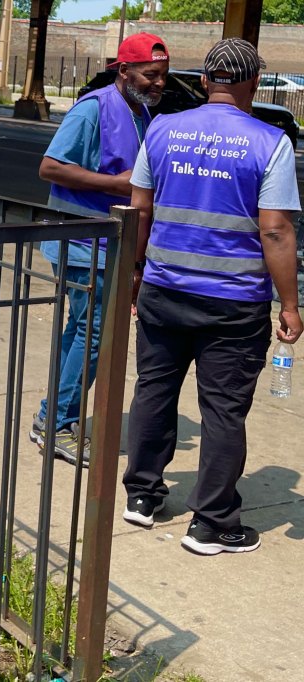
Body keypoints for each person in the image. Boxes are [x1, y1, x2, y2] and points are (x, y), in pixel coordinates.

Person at [123, 38, 301, 555]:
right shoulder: (271, 143)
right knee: (223, 410)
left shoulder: (161, 129)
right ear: (254, 84)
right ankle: (212, 522)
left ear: (204, 81)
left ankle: (142, 496)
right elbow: (276, 231)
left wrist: (136, 272)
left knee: (154, 391)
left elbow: (138, 210)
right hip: (235, 302)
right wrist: (289, 304)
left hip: (164, 288)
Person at [32, 32, 170, 467]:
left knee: (81, 330)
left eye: (162, 76)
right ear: (124, 70)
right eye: (151, 75)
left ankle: (51, 416)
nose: (158, 84)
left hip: (105, 240)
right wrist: (116, 184)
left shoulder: (144, 114)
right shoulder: (93, 109)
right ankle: (58, 425)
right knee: (93, 333)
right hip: (78, 239)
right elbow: (49, 166)